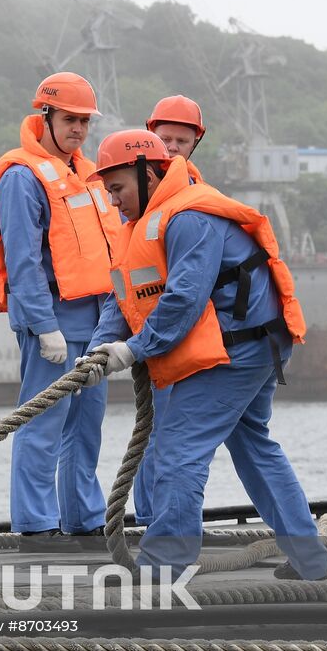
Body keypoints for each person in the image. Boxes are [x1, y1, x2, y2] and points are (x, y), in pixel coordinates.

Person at [79, 130, 327, 581]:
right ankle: (309, 560)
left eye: (117, 188)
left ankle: (163, 568)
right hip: (250, 346)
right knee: (253, 448)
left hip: (236, 352)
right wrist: (100, 348)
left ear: (147, 175)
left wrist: (132, 350)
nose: (113, 201)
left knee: (177, 452)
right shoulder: (145, 224)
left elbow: (183, 299)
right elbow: (123, 297)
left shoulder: (189, 217)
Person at [0, 72, 122, 551]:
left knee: (86, 426)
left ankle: (84, 519)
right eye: (69, 119)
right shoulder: (22, 177)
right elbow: (22, 260)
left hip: (96, 322)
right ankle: (37, 525)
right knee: (42, 423)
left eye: (84, 121)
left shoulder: (88, 174)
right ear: (44, 117)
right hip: (54, 324)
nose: (79, 129)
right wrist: (44, 326)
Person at [131, 94, 208, 525]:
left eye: (183, 140)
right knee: (157, 430)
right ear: (150, 136)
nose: (174, 148)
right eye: (166, 139)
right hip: (153, 328)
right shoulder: (132, 188)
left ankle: (164, 519)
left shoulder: (196, 190)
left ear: (196, 142)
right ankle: (151, 519)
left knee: (175, 433)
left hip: (188, 329)